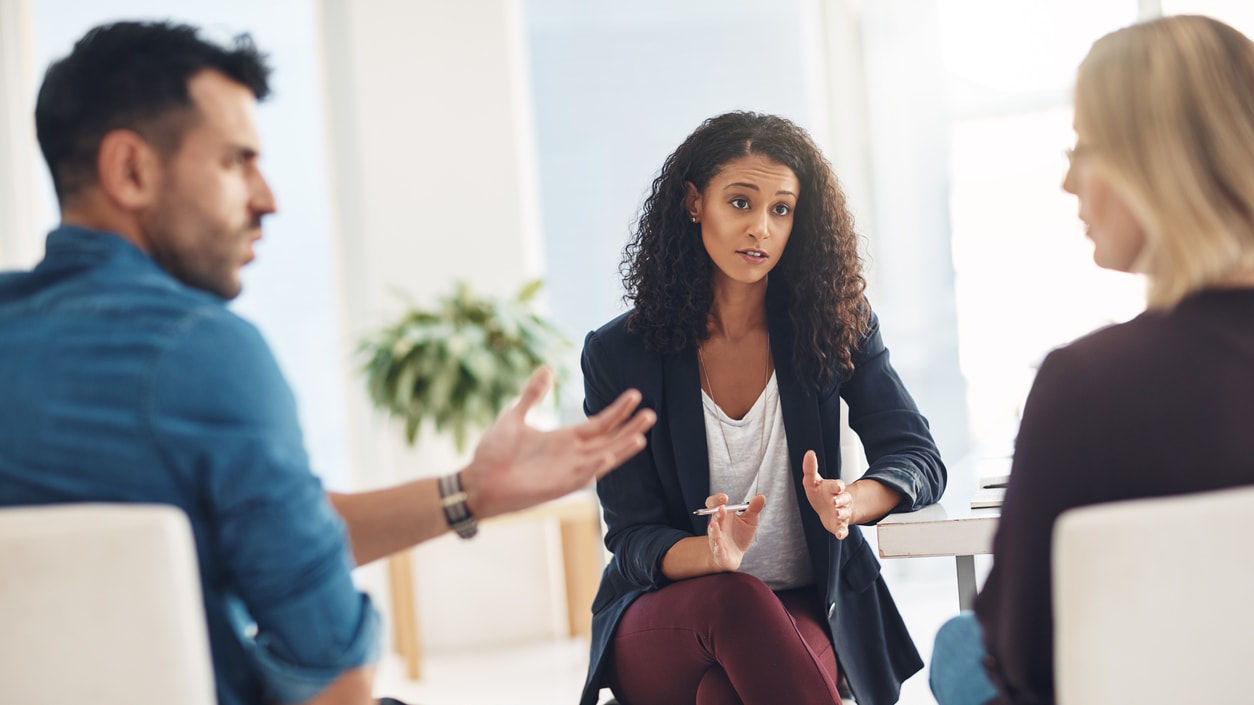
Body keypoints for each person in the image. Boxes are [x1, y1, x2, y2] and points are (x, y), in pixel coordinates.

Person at [0, 21, 656, 705]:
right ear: (131, 169)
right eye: (235, 162)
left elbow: (265, 533)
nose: (268, 198)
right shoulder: (200, 352)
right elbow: (336, 677)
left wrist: (470, 489)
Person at [929, 14, 1254, 705]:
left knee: (957, 647)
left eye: (1084, 146)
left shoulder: (1089, 385)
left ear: (1155, 161)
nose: (1068, 182)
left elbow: (1021, 658)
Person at [578, 111, 947, 705]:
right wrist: (710, 554)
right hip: (668, 614)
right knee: (736, 595)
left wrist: (854, 501)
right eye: (741, 203)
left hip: (802, 603)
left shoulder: (834, 325)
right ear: (695, 202)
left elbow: (916, 455)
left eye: (781, 209)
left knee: (725, 695)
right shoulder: (620, 354)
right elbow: (631, 532)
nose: (762, 229)